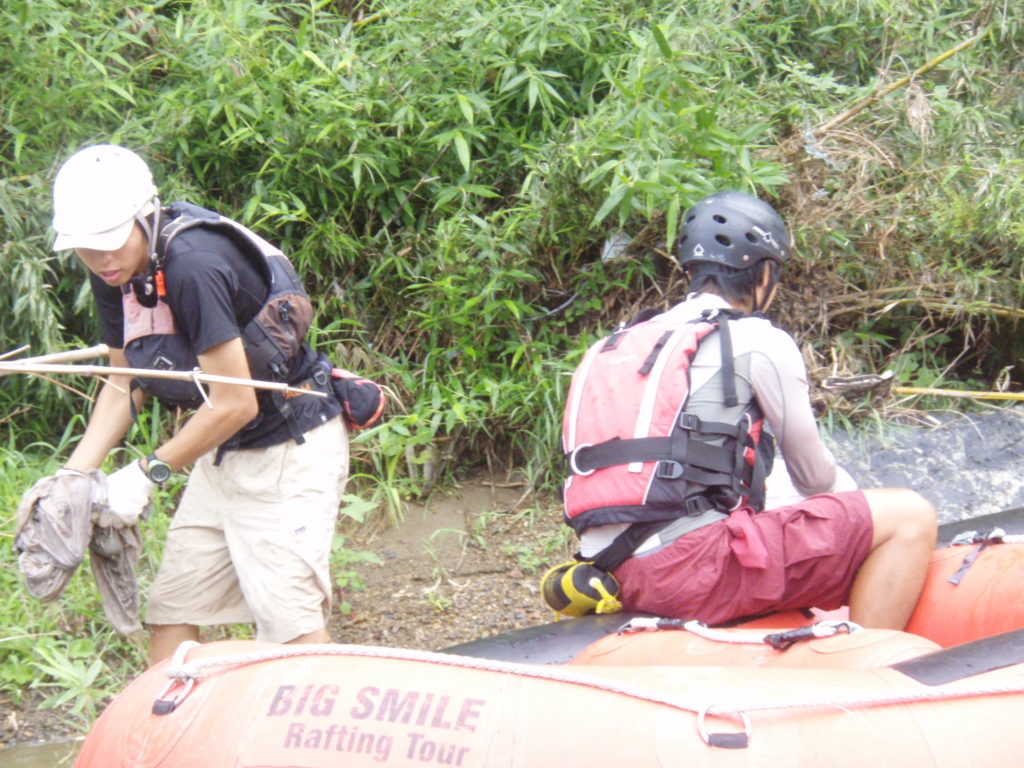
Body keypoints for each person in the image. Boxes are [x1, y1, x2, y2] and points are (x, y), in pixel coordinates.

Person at [560, 190, 936, 629]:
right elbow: (816, 480)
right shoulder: (759, 338)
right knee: (909, 516)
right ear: (765, 274)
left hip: (606, 572)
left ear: (691, 272)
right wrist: (864, 523)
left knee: (772, 503)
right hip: (691, 572)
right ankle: (873, 666)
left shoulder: (616, 344)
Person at [49, 144, 350, 664]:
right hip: (222, 453)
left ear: (145, 215)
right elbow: (125, 380)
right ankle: (169, 739)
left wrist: (145, 474)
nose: (100, 259)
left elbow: (236, 403)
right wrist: (73, 479)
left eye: (109, 242)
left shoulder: (194, 265)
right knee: (172, 614)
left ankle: (316, 735)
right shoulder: (114, 271)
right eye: (85, 247)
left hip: (287, 451)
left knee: (291, 629)